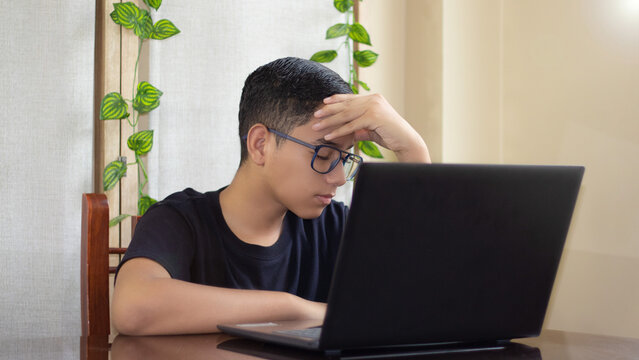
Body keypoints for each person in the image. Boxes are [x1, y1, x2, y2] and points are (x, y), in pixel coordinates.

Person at [112, 57, 431, 335]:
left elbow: (424, 294)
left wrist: (412, 148)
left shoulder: (336, 226)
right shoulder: (180, 220)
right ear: (260, 144)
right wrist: (294, 310)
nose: (337, 178)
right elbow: (134, 308)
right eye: (323, 156)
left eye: (345, 158)